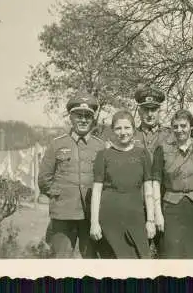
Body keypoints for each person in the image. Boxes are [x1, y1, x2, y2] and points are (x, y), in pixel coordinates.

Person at [38, 92, 106, 258]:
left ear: (93, 119)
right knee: (61, 259)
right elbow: (44, 178)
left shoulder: (101, 146)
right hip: (63, 213)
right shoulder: (57, 144)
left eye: (88, 116)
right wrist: (60, 197)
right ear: (71, 117)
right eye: (78, 115)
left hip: (91, 214)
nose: (83, 120)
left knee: (90, 259)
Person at [89, 110, 155, 258]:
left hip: (136, 217)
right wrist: (94, 223)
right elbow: (97, 191)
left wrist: (151, 220)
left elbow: (148, 190)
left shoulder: (142, 154)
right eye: (118, 128)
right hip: (109, 219)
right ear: (112, 130)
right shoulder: (103, 155)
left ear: (133, 129)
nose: (123, 132)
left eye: (127, 128)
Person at [152, 110, 193, 259]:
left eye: (183, 126)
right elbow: (156, 181)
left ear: (191, 126)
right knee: (172, 253)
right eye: (175, 126)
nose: (179, 130)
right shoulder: (163, 149)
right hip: (171, 208)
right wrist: (158, 213)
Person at [133, 85, 171, 252]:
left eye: (154, 109)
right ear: (139, 111)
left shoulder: (170, 135)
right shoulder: (130, 135)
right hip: (136, 200)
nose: (149, 114)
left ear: (159, 111)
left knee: (165, 250)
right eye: (145, 109)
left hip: (164, 201)